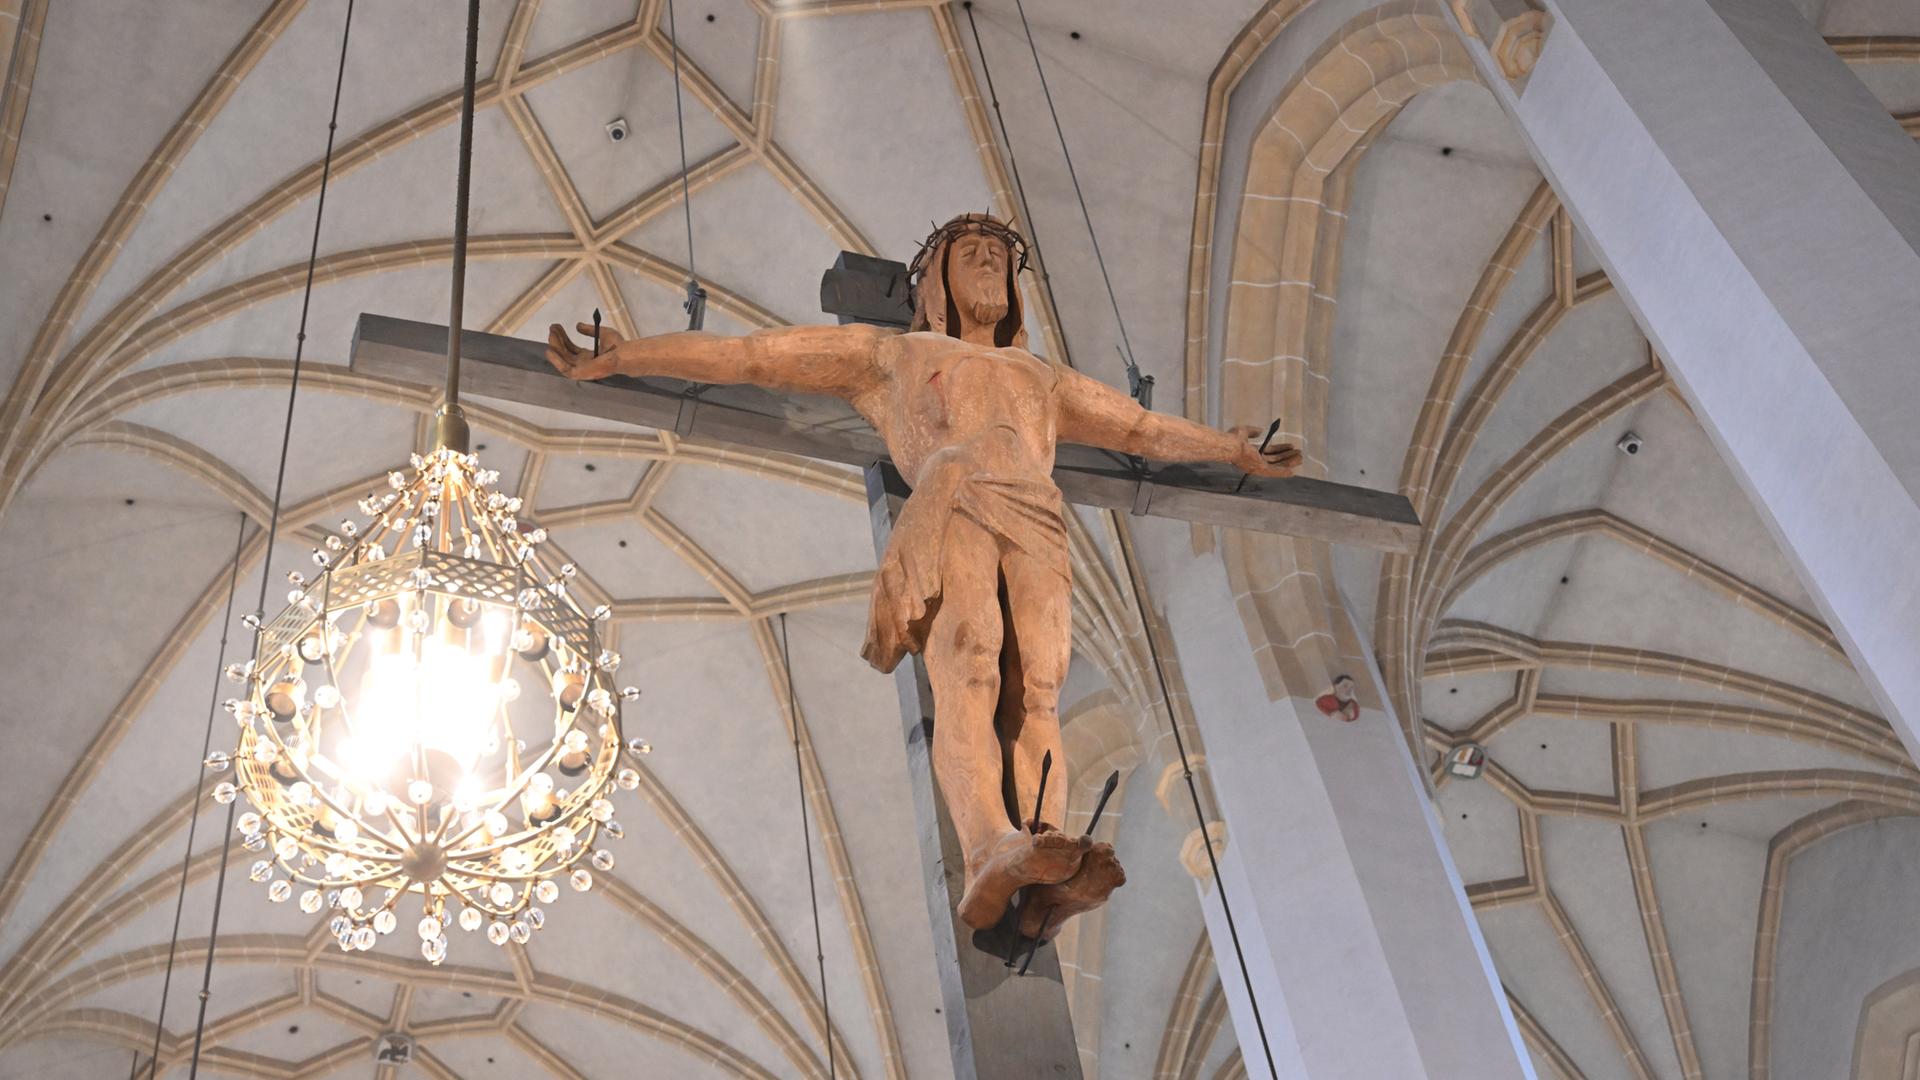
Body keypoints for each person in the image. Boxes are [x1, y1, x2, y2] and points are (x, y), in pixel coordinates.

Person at [548, 213, 1302, 937]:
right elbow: (754, 355)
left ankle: (1047, 853)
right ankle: (988, 847)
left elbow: (1139, 428)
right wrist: (627, 356)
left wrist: (1228, 449)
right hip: (954, 497)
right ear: (937, 281)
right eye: (970, 253)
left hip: (1037, 515)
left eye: (998, 256)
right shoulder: (893, 356)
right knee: (971, 661)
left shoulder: (1042, 376)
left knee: (1040, 684)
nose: (988, 262)